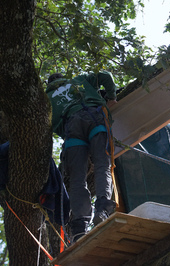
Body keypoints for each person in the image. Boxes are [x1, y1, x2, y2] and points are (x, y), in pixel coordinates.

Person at [46, 71, 118, 241]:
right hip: (93, 117)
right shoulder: (78, 79)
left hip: (71, 131)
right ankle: (102, 208)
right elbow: (106, 75)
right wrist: (111, 97)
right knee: (102, 164)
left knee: (77, 179)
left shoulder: (46, 101)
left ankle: (79, 227)